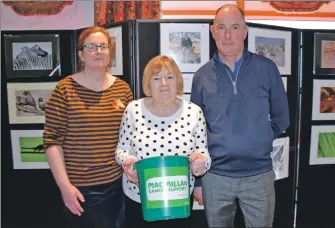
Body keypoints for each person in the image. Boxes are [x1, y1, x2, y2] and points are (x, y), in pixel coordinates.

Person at [190, 4, 290, 228]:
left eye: (235, 27)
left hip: (259, 175)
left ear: (245, 31)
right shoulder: (201, 76)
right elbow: (195, 132)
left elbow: (282, 119)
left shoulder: (267, 69)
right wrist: (197, 182)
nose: (227, 35)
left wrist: (258, 137)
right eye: (221, 27)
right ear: (212, 31)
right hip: (215, 176)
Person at [43, 26, 133, 228]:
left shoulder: (122, 88)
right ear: (81, 54)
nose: (98, 51)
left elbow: (129, 138)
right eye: (91, 46)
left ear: (110, 53)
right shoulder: (64, 89)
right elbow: (51, 142)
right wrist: (65, 186)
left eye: (103, 46)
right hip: (80, 190)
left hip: (118, 187)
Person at [115, 55, 211, 228]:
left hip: (178, 200)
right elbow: (121, 149)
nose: (164, 83)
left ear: (178, 81)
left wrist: (201, 163)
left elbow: (204, 154)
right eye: (157, 78)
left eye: (169, 77)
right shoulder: (133, 110)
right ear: (148, 83)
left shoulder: (193, 112)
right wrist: (127, 162)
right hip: (140, 198)